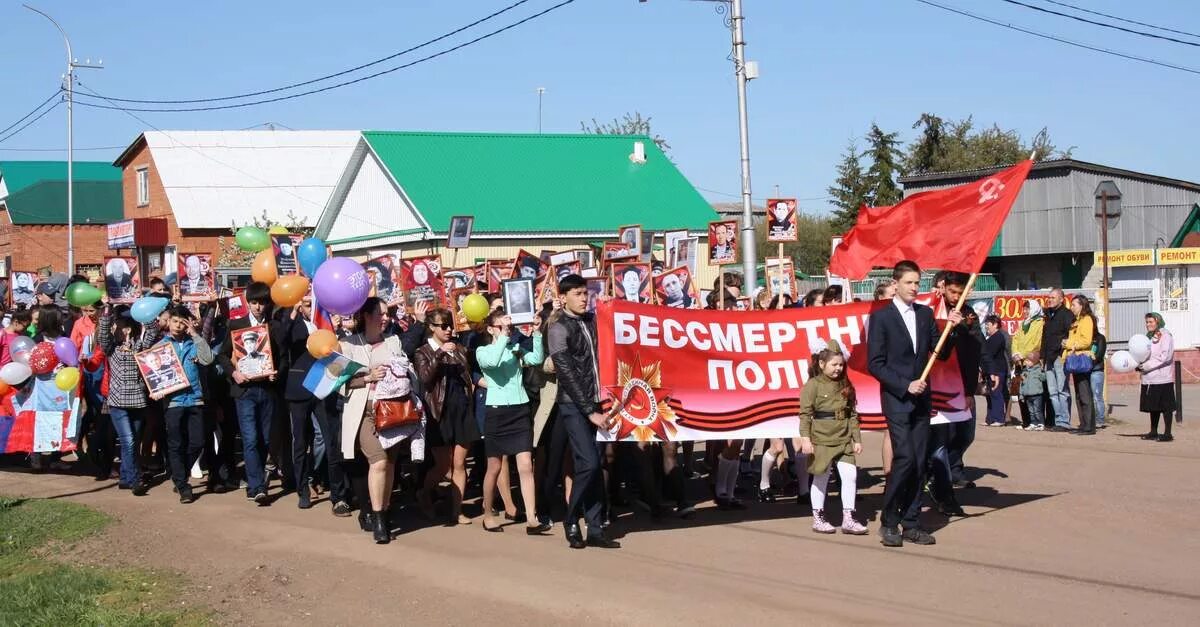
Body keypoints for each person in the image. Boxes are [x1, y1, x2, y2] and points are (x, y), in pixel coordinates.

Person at [867, 260, 958, 548]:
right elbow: (875, 364)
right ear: (895, 284)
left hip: (922, 399)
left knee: (920, 461)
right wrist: (904, 384)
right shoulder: (881, 318)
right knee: (904, 457)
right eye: (909, 283)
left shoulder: (924, 314)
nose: (914, 288)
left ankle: (912, 521)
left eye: (917, 283)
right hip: (896, 398)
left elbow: (939, 353)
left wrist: (951, 329)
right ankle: (889, 522)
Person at [340, 297, 425, 544]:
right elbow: (334, 382)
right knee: (377, 461)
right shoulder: (347, 345)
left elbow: (405, 367)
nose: (386, 317)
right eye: (381, 313)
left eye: (388, 313)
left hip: (393, 411)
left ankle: (384, 510)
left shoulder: (394, 341)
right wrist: (367, 378)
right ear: (366, 316)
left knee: (389, 464)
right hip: (364, 411)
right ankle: (377, 519)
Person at [547, 274, 620, 550]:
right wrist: (590, 411)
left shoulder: (591, 320)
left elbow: (615, 334)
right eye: (577, 293)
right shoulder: (558, 327)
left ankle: (596, 526)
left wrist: (612, 308)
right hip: (573, 405)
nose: (583, 298)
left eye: (585, 293)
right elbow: (566, 373)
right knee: (588, 462)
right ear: (563, 296)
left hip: (599, 402)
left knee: (596, 464)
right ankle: (571, 518)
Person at [475, 310, 552, 535]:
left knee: (526, 464)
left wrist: (537, 333)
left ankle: (531, 517)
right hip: (497, 412)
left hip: (520, 410)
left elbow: (536, 359)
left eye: (507, 326)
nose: (506, 330)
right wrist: (505, 337)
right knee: (495, 467)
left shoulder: (514, 348)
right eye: (500, 326)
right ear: (491, 329)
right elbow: (492, 362)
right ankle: (488, 513)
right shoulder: (484, 351)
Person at [279, 296, 349, 513]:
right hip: (299, 388)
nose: (312, 307)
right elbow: (280, 341)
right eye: (308, 304)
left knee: (331, 442)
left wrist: (337, 331)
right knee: (300, 442)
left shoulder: (327, 322)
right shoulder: (292, 321)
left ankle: (338, 495)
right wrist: (291, 315)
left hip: (324, 385)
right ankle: (303, 490)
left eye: (314, 303)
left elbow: (340, 354)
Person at [414, 308, 480, 525]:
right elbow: (425, 379)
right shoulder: (423, 352)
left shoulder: (459, 349)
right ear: (432, 327)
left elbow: (467, 375)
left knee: (460, 464)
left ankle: (456, 510)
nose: (449, 330)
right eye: (444, 326)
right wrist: (440, 353)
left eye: (450, 325)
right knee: (443, 466)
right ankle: (424, 492)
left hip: (461, 409)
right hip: (438, 413)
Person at [217, 281, 281, 504]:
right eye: (254, 302)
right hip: (244, 391)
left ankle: (256, 483)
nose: (258, 307)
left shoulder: (273, 327)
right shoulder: (236, 325)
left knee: (264, 440)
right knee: (250, 438)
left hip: (267, 389)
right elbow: (222, 355)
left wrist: (275, 373)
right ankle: (257, 486)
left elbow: (280, 358)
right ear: (248, 303)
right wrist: (234, 373)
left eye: (262, 303)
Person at [799, 343, 868, 535]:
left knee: (850, 476)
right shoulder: (812, 385)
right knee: (821, 477)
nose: (838, 368)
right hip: (821, 438)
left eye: (841, 364)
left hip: (844, 437)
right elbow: (805, 414)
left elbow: (852, 413)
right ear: (821, 364)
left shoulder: (845, 384)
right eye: (834, 364)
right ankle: (818, 518)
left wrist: (857, 438)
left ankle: (848, 518)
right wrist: (805, 438)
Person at [97, 301, 163, 495]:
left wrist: (144, 312)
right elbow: (103, 335)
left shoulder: (140, 345)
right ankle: (135, 480)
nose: (126, 330)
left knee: (133, 440)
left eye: (129, 325)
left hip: (138, 400)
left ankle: (125, 478)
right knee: (128, 441)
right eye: (122, 326)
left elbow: (152, 331)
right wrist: (107, 312)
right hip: (117, 401)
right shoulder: (112, 347)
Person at [155, 306, 215, 504]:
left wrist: (196, 335)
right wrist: (156, 390)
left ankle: (179, 473)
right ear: (168, 322)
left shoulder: (194, 342)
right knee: (175, 443)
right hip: (173, 401)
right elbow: (153, 373)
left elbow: (207, 359)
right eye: (175, 321)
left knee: (197, 442)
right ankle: (183, 486)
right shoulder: (160, 345)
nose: (178, 325)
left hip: (195, 398)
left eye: (183, 322)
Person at [1137, 312, 1176, 442]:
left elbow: (1165, 357)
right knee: (1153, 406)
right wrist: (1139, 364)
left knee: (1166, 406)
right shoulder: (1149, 336)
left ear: (1157, 321)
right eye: (1147, 322)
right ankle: (1153, 431)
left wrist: (1146, 366)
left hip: (1163, 377)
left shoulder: (1166, 336)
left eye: (1151, 322)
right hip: (1150, 378)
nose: (1148, 325)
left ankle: (1167, 433)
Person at [1061, 295, 1096, 435]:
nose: (1072, 307)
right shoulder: (1076, 321)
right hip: (1074, 359)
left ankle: (1089, 426)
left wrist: (1068, 344)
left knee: (1085, 393)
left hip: (1082, 359)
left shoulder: (1087, 320)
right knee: (1079, 395)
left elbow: (1086, 341)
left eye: (1074, 304)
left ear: (1082, 305)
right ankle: (1083, 424)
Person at [1041, 288, 1075, 431]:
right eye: (1049, 297)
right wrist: (1042, 356)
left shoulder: (1067, 315)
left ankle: (1064, 422)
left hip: (1060, 357)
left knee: (1062, 390)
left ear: (1061, 299)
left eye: (1053, 297)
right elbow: (1045, 336)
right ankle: (1058, 419)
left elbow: (1071, 333)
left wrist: (1063, 349)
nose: (1050, 300)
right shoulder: (1049, 315)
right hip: (1048, 358)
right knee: (1052, 392)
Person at [1011, 300, 1044, 429]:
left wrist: (1023, 354)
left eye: (1027, 309)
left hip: (1032, 362)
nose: (1025, 311)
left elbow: (1037, 342)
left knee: (1034, 394)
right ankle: (1028, 422)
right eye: (1024, 309)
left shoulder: (1039, 323)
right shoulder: (1023, 324)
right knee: (1022, 394)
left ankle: (1037, 421)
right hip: (1021, 363)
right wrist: (1015, 353)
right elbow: (1016, 339)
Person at [981, 314, 1009, 427]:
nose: (986, 327)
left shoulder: (998, 337)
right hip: (990, 370)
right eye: (986, 325)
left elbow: (989, 354)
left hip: (998, 370)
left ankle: (999, 419)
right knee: (990, 394)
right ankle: (990, 419)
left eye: (988, 324)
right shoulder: (990, 337)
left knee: (996, 393)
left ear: (995, 325)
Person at [1019, 351, 1046, 432]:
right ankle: (1033, 423)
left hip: (1037, 394)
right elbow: (1022, 384)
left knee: (1037, 410)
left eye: (1028, 361)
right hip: (1027, 395)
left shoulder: (1038, 370)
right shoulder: (1024, 372)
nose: (1026, 362)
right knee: (1031, 411)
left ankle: (1040, 423)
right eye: (1026, 360)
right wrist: (1021, 394)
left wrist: (1042, 371)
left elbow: (1044, 378)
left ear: (1034, 362)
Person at [1090, 329, 1107, 429]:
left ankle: (1099, 420)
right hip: (1087, 371)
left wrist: (1088, 363)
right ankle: (1091, 419)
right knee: (1090, 397)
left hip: (1096, 370)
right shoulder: (1086, 338)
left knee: (1097, 396)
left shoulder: (1100, 338)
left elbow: (1099, 355)